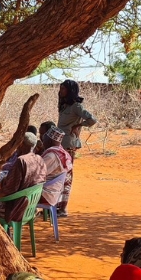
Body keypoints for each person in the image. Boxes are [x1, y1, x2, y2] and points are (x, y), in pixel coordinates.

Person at [56, 79, 97, 217]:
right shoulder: (64, 105)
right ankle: (55, 206)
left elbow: (92, 120)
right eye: (61, 88)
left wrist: (78, 126)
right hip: (60, 143)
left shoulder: (76, 106)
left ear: (70, 91)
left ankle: (63, 208)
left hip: (68, 144)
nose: (61, 91)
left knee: (66, 175)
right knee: (58, 174)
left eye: (63, 89)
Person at [0, 136, 46, 223]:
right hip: (30, 208)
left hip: (16, 209)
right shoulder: (40, 159)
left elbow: (8, 191)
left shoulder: (21, 161)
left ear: (21, 144)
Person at [38, 127, 72, 206]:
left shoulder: (52, 156)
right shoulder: (62, 153)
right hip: (54, 192)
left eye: (44, 139)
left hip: (46, 194)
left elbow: (37, 174)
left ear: (49, 141)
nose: (43, 141)